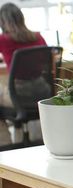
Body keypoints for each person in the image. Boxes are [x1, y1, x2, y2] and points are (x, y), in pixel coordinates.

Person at [0, 2, 47, 145]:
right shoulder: (38, 37)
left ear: (2, 22)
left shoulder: (3, 39)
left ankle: (5, 147)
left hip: (19, 94)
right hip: (43, 91)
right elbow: (48, 58)